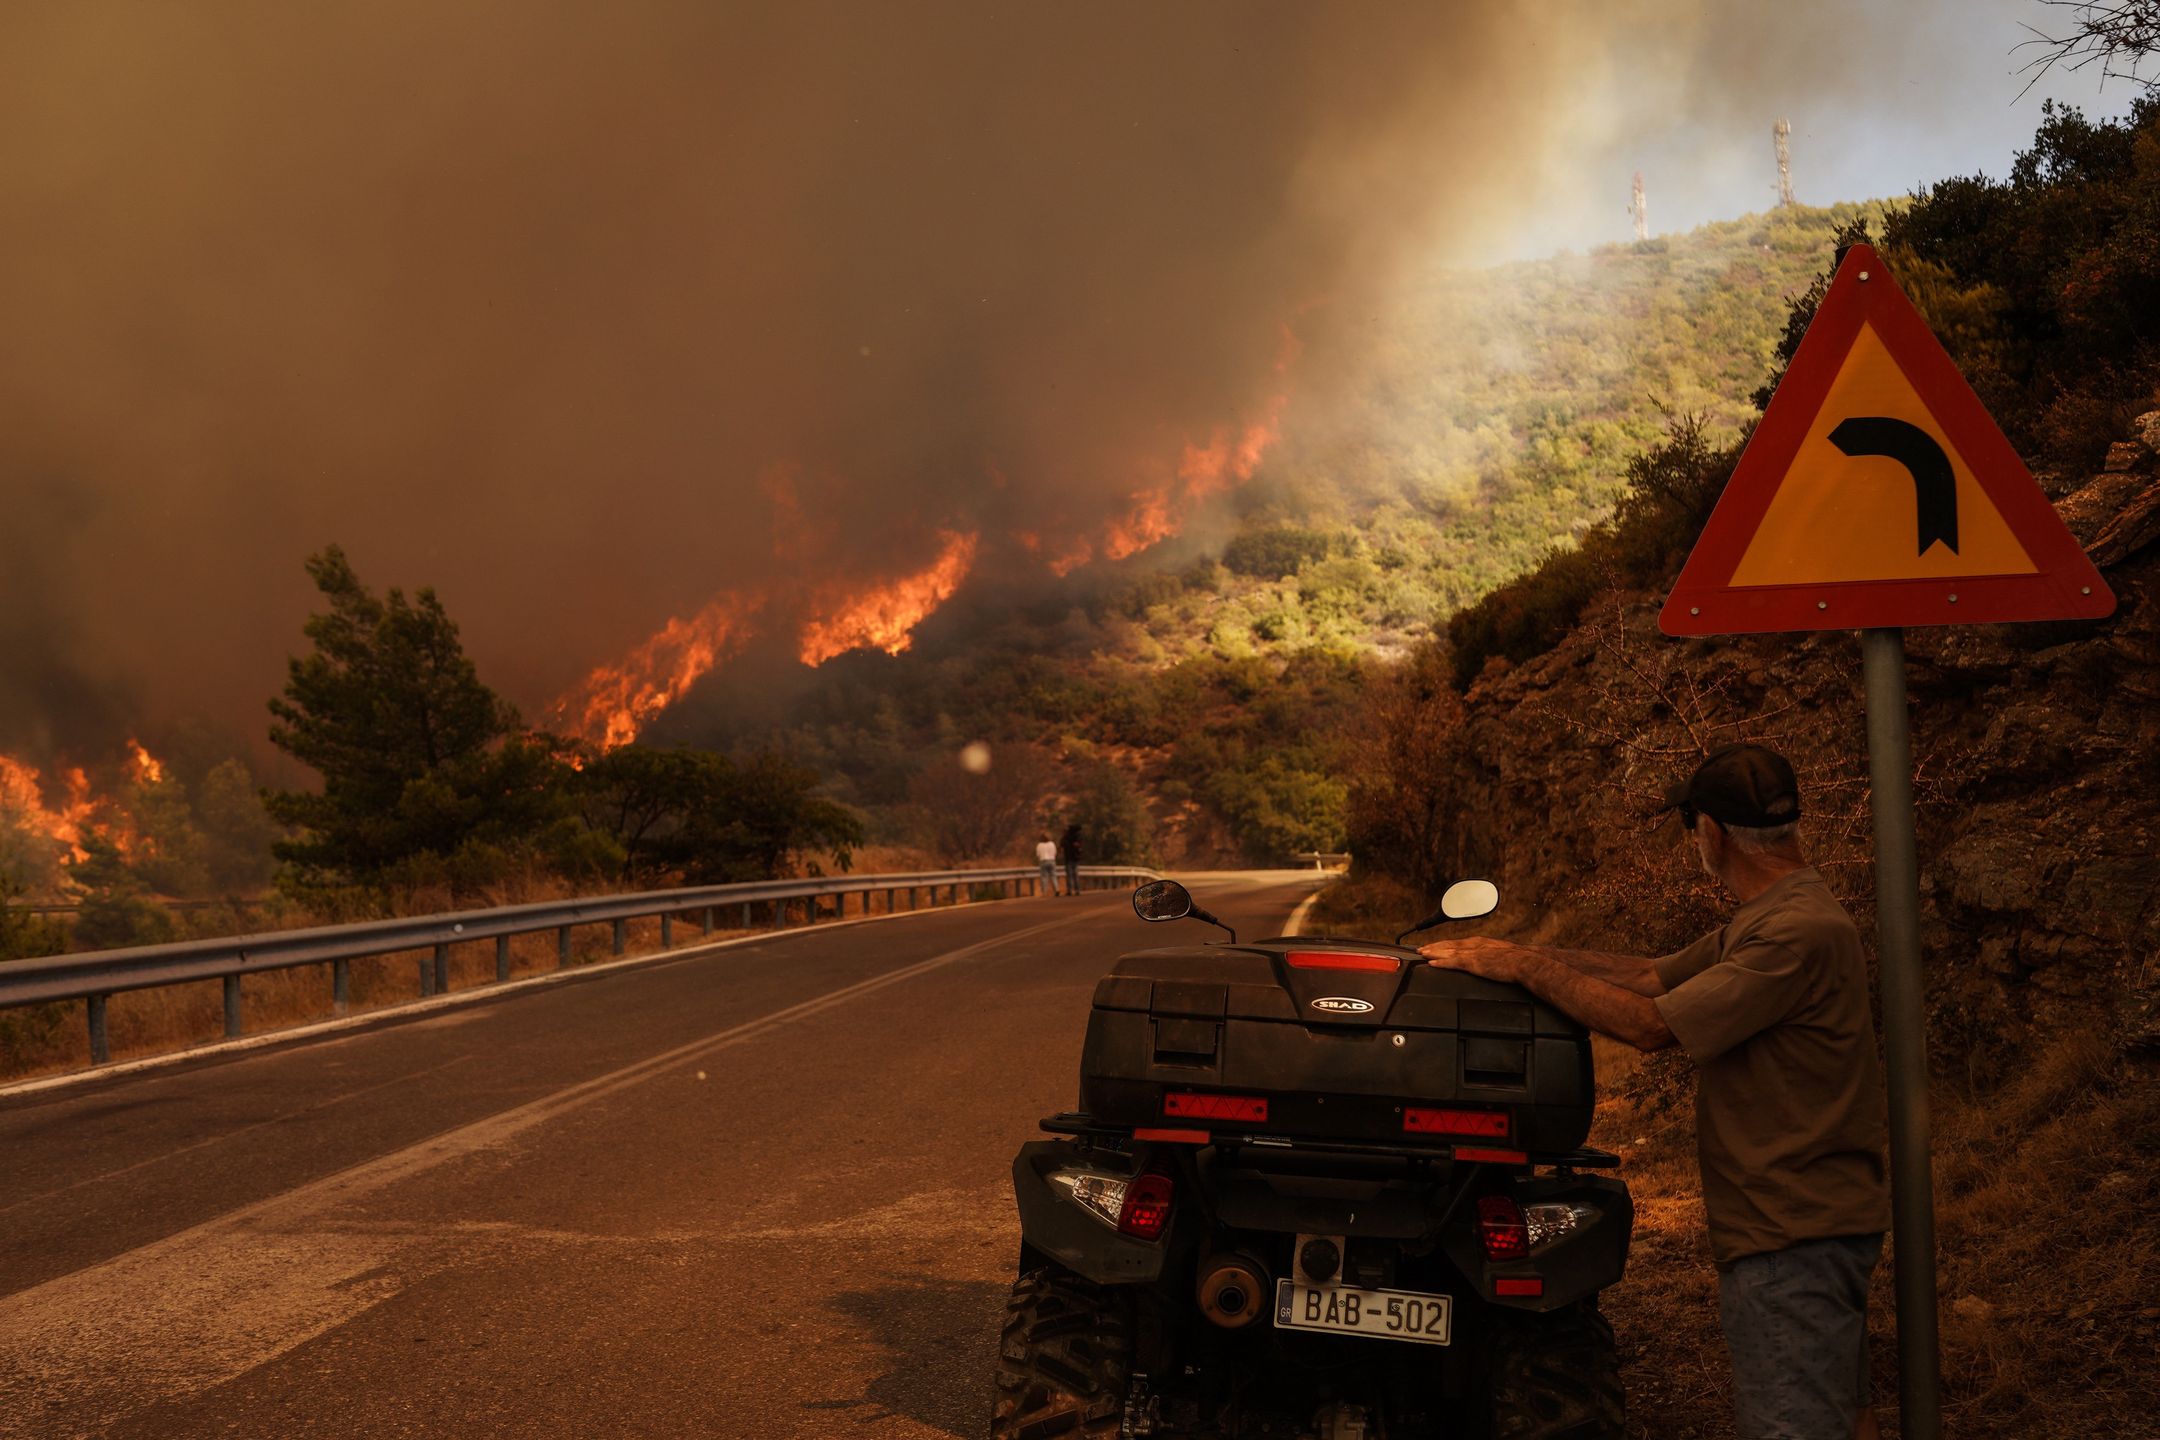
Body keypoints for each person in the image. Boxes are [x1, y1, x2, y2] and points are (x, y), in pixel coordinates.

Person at [1420, 743, 1890, 1440]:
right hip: (1804, 1223)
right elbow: (1648, 975)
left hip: (1794, 1232)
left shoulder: (1793, 934)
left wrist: (1520, 966)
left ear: (1711, 832)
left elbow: (1647, 1024)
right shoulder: (1783, 910)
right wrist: (1517, 956)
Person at [1060, 822, 1083, 897]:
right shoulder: (1077, 837)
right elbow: (1079, 846)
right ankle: (1077, 890)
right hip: (1075, 858)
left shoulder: (1065, 837)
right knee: (1075, 875)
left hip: (1068, 858)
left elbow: (1061, 846)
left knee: (1069, 875)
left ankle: (1070, 890)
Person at [1034, 832, 1059, 896]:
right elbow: (1055, 853)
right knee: (1053, 876)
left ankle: (1044, 892)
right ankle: (1056, 889)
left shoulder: (1039, 845)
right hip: (1051, 861)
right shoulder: (1052, 844)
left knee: (1044, 877)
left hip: (1043, 861)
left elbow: (1038, 855)